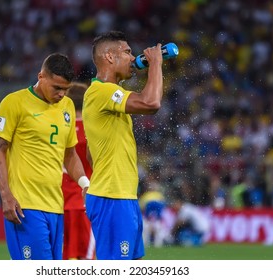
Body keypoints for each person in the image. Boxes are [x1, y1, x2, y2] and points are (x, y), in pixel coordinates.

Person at [0, 53, 90, 260]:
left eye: (66, 89)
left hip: (56, 206)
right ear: (41, 76)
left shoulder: (68, 107)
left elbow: (69, 154)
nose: (62, 94)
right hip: (25, 206)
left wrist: (84, 184)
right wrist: (6, 195)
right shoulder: (14, 103)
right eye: (57, 88)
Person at [82, 30, 164, 260]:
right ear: (109, 56)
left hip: (121, 195)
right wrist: (156, 63)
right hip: (112, 198)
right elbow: (151, 102)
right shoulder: (102, 91)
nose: (132, 57)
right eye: (127, 52)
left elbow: (91, 153)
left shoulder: (107, 95)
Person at [61, 82, 95, 260]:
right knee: (86, 261)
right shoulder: (94, 130)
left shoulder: (58, 129)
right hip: (85, 203)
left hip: (57, 203)